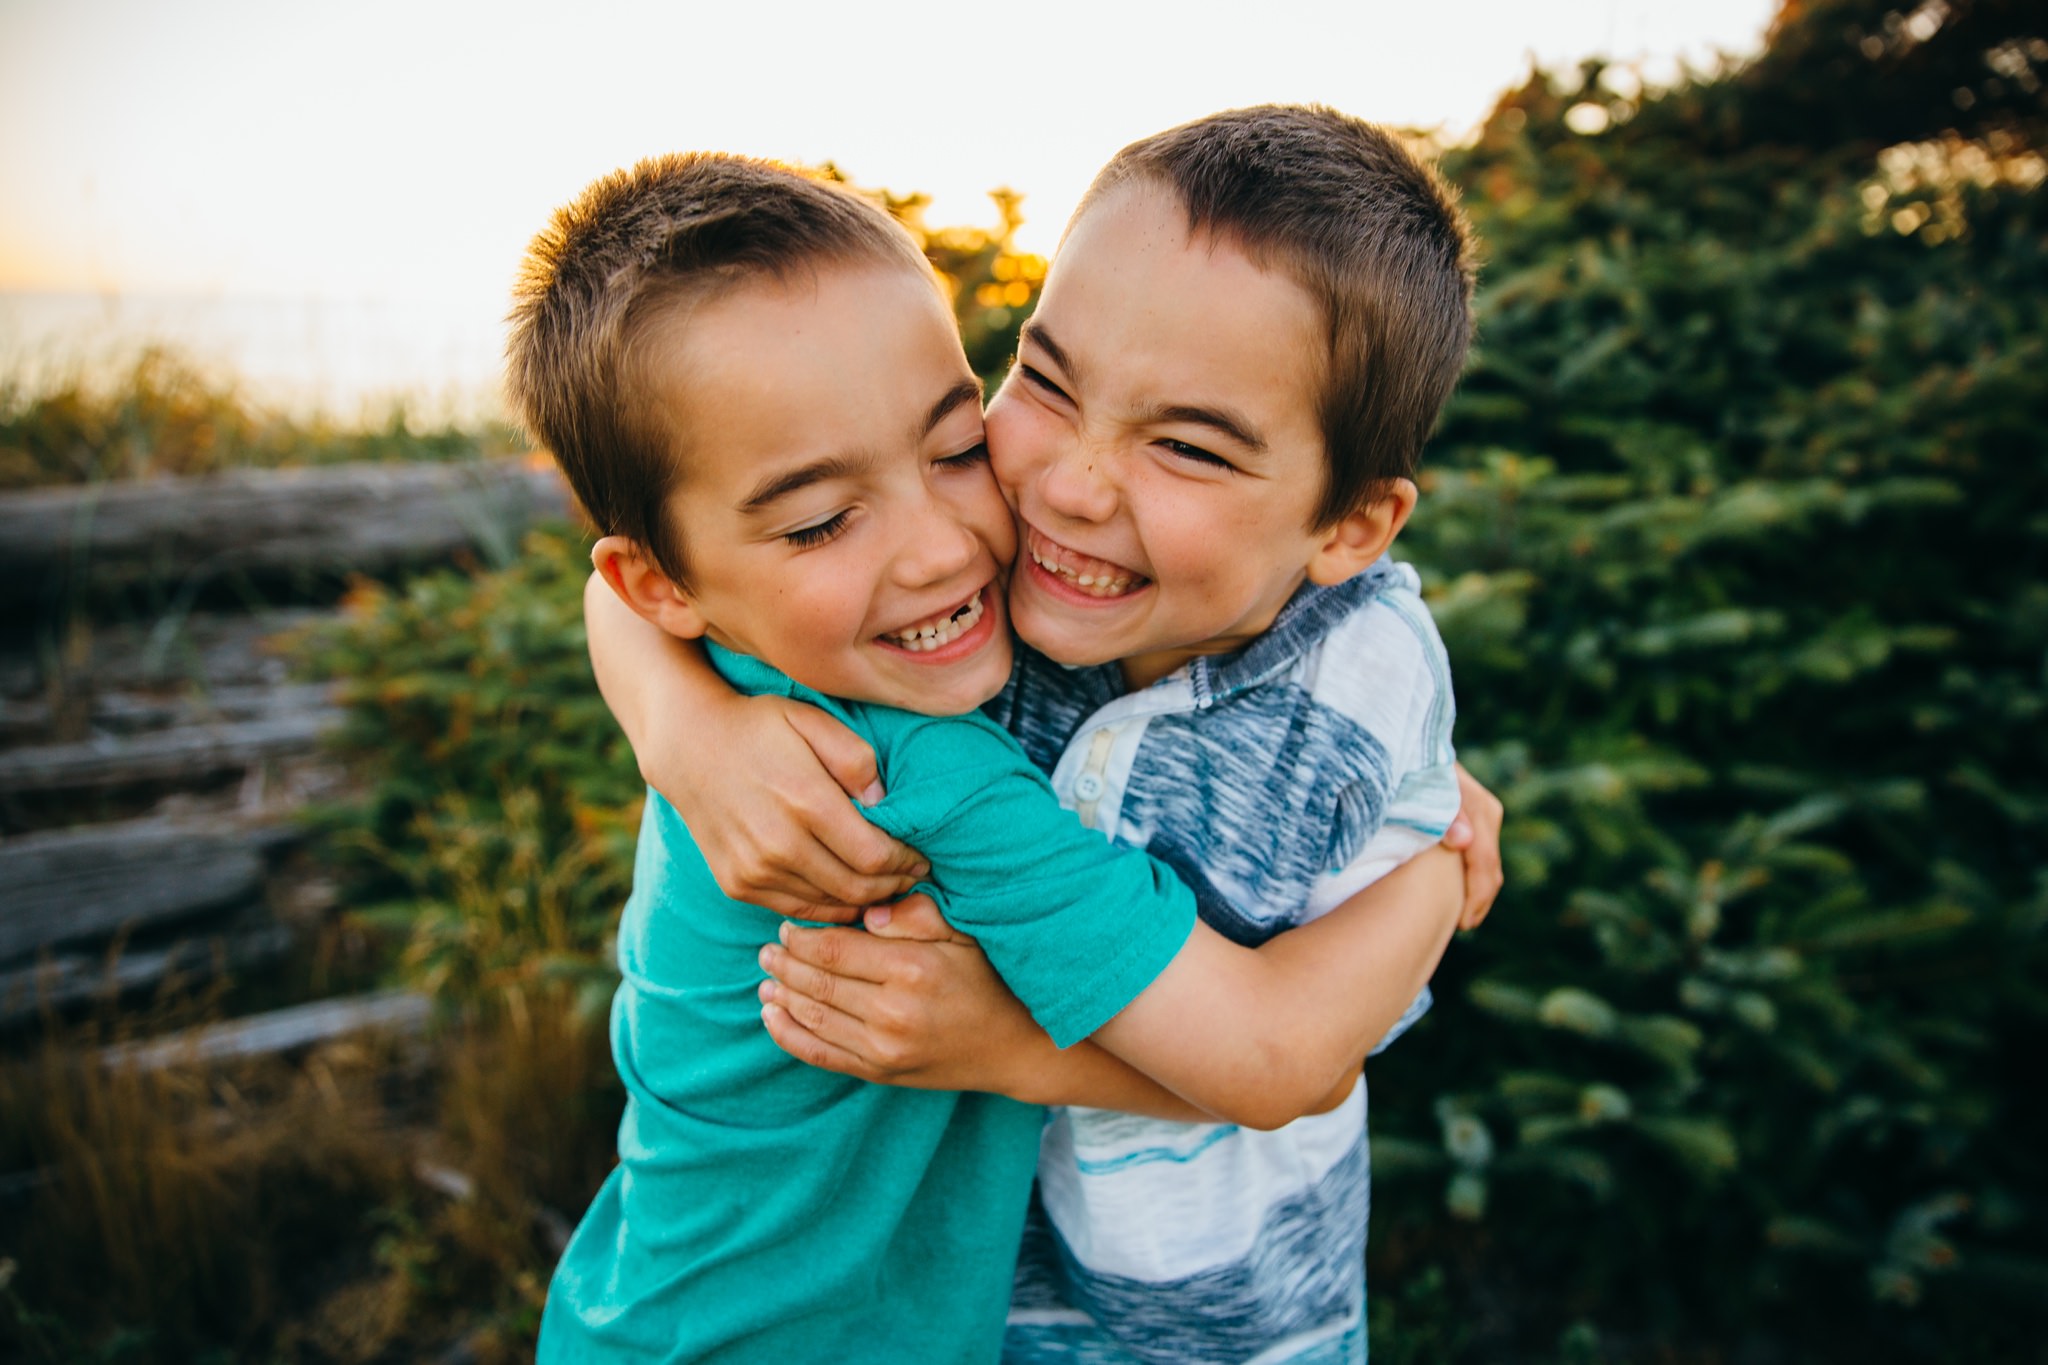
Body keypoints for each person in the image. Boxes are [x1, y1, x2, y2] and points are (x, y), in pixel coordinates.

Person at [517, 150, 1471, 1363]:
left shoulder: (853, 640)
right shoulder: (917, 768)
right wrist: (1436, 868)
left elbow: (638, 584)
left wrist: (672, 713)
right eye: (818, 520)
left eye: (956, 447)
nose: (942, 551)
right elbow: (1276, 1059)